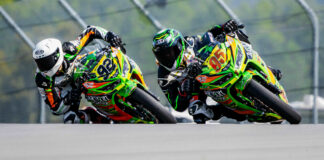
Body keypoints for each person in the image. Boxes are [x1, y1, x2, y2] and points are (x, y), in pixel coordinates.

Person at [152, 20, 282, 123]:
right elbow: (177, 105)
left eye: (169, 53)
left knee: (234, 35)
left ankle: (263, 67)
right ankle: (234, 112)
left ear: (179, 45)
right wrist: (184, 91)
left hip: (215, 68)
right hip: (201, 89)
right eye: (162, 55)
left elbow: (208, 36)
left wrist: (223, 26)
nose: (166, 57)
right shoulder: (164, 75)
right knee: (198, 112)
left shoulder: (191, 42)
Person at [33, 26, 124, 123]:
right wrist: (69, 98)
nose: (44, 66)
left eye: (47, 61)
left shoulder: (69, 48)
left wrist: (109, 36)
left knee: (116, 54)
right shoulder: (42, 79)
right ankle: (93, 116)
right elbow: (55, 108)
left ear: (57, 54)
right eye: (40, 62)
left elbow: (91, 31)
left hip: (87, 67)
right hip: (69, 90)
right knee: (70, 120)